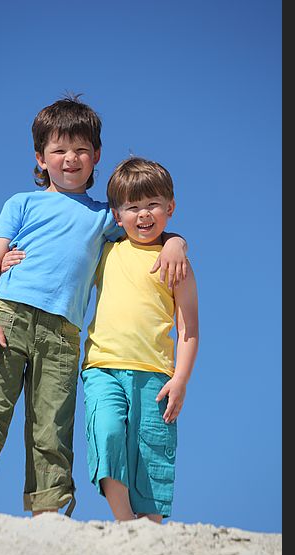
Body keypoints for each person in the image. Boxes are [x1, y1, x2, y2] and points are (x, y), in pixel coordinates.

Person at [0, 96, 187, 517]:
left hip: (62, 335)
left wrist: (178, 241)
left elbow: (144, 223)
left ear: (95, 157)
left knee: (52, 427)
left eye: (80, 150)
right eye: (58, 150)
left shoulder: (103, 217)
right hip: (9, 318)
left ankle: (48, 517)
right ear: (40, 158)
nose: (70, 158)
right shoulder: (20, 204)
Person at [81, 157, 199, 522]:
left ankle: (148, 531)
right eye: (132, 207)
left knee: (152, 455)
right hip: (103, 367)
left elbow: (189, 328)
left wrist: (180, 379)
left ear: (170, 207)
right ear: (117, 215)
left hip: (156, 375)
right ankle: (123, 521)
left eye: (152, 205)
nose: (143, 214)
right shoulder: (106, 251)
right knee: (108, 430)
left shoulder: (176, 264)